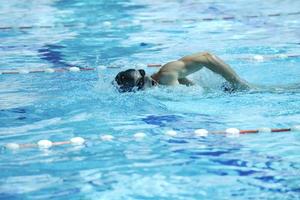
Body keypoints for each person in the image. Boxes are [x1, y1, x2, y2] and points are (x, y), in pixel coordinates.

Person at [114, 52, 251, 92]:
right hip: (222, 91)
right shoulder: (162, 84)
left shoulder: (167, 73)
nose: (148, 81)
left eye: (144, 77)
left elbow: (206, 57)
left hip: (226, 81)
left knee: (251, 89)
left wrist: (235, 80)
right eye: (141, 84)